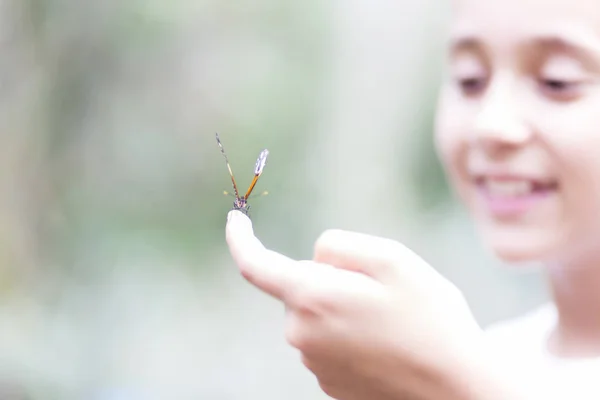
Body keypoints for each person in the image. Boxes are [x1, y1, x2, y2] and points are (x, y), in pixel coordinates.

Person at [225, 0, 600, 398]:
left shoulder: (461, 374)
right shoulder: (496, 353)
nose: (491, 125)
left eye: (558, 81)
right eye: (469, 79)